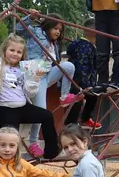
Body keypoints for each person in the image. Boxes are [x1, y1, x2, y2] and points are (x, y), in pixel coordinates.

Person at [17, 12, 79, 155]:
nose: (57, 32)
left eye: (60, 30)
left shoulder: (54, 44)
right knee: (42, 110)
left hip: (45, 73)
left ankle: (64, 97)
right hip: (33, 72)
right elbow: (18, 29)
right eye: (55, 28)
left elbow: (52, 63)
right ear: (48, 26)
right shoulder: (36, 31)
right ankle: (33, 142)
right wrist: (30, 18)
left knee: (69, 66)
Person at [64, 17, 104, 129]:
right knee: (77, 102)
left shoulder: (87, 45)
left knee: (92, 97)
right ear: (93, 31)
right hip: (78, 81)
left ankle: (84, 119)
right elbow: (83, 66)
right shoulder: (85, 46)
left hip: (82, 80)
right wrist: (86, 85)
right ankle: (72, 125)